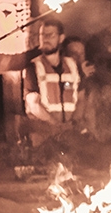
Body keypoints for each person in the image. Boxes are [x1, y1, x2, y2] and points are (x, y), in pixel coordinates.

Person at [21, 19, 81, 149]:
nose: (46, 39)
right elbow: (33, 104)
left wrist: (73, 123)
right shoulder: (32, 67)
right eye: (43, 35)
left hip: (70, 135)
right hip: (43, 137)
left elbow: (82, 98)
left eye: (51, 35)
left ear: (61, 38)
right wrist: (56, 125)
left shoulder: (72, 65)